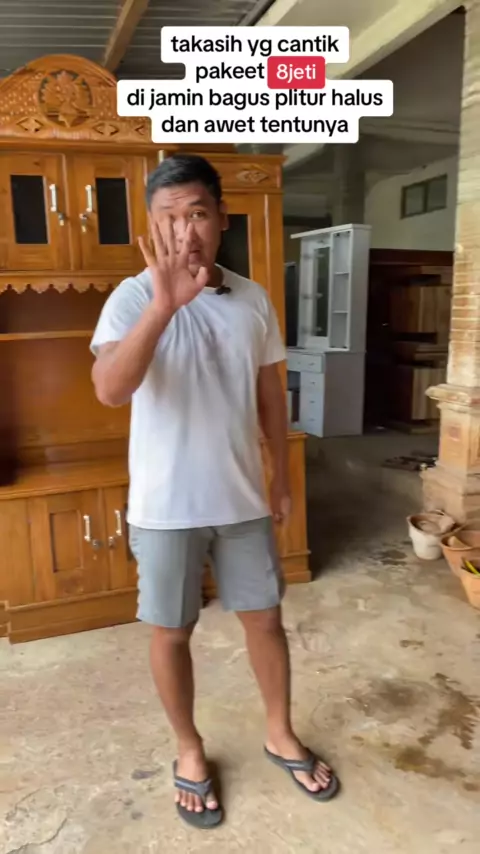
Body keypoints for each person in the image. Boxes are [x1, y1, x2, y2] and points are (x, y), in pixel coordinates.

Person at [90, 153, 339, 829]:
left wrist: (281, 477)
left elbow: (269, 395)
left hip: (241, 500)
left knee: (265, 620)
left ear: (222, 218)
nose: (184, 231)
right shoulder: (131, 299)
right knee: (171, 632)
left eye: (197, 213)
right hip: (165, 506)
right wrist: (164, 306)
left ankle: (279, 733)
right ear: (151, 226)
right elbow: (111, 389)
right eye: (168, 218)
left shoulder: (253, 299)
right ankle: (189, 747)